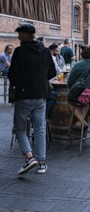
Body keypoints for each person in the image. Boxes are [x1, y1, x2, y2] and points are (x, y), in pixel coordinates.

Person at [8, 23, 56, 174]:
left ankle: (29, 157)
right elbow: (52, 72)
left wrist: (20, 84)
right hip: (41, 94)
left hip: (24, 94)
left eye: (20, 34)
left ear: (27, 35)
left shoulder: (20, 51)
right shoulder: (46, 51)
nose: (18, 37)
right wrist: (41, 81)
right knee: (40, 128)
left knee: (20, 128)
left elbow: (12, 74)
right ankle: (41, 162)